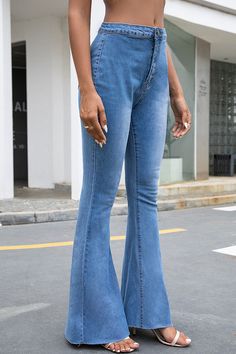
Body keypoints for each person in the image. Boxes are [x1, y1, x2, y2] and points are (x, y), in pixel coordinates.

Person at [64, 0, 192, 352]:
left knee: (146, 196)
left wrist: (176, 91)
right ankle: (98, 321)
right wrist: (87, 89)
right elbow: (77, 11)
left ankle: (148, 313)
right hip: (113, 57)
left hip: (157, 55)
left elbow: (158, 20)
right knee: (100, 196)